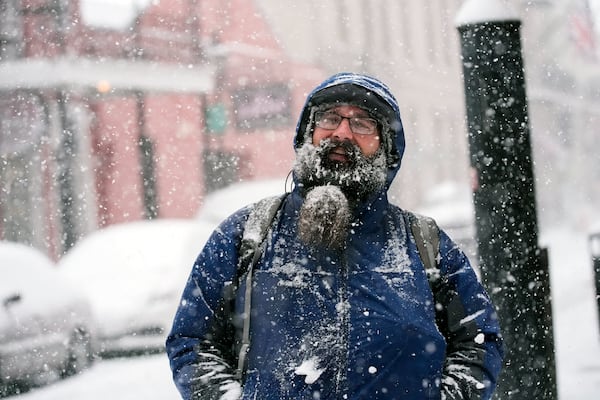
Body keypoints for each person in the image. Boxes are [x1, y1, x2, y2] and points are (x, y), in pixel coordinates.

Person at [166, 72, 504, 400]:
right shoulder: (246, 234)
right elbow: (192, 342)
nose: (341, 133)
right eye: (329, 118)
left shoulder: (424, 243)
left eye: (362, 123)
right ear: (308, 134)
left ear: (386, 147)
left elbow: (478, 341)